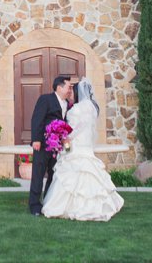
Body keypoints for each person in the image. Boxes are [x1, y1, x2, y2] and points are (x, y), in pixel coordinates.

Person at [42, 77, 124, 221]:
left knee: (72, 175)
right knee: (89, 174)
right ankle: (93, 206)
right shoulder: (91, 107)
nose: (70, 95)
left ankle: (67, 207)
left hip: (77, 144)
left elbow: (75, 128)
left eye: (72, 92)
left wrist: (65, 137)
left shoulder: (78, 108)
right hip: (86, 145)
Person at [27, 75, 72, 216]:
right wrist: (36, 139)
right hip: (43, 144)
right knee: (38, 174)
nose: (70, 90)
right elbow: (37, 118)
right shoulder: (45, 99)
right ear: (59, 87)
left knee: (53, 175)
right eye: (68, 87)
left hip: (57, 147)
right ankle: (34, 205)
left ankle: (48, 201)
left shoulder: (68, 104)